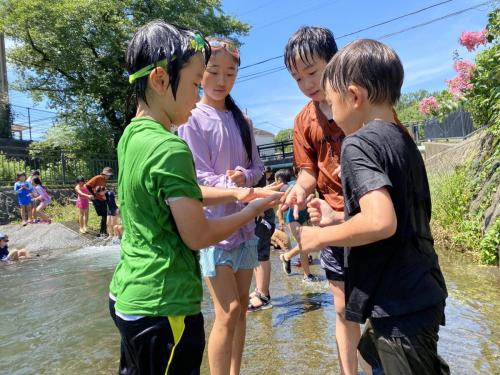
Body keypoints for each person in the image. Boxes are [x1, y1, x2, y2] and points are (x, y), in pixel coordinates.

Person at [108, 21, 281, 375]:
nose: (199, 90)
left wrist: (239, 190)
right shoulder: (169, 146)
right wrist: (251, 208)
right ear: (159, 80)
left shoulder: (130, 135)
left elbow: (173, 198)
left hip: (129, 296)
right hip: (164, 304)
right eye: (194, 82)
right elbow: (198, 235)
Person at [295, 39, 449, 375]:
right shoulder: (403, 140)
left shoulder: (358, 143)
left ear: (354, 96)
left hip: (398, 303)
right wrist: (339, 215)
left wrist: (320, 237)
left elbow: (381, 222)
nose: (332, 115)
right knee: (370, 353)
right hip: (422, 287)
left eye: (333, 103)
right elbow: (400, 212)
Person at [280, 26, 370, 375]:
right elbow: (308, 171)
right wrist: (300, 190)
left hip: (371, 215)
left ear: (335, 60)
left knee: (379, 304)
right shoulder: (303, 120)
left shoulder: (361, 98)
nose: (306, 83)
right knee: (343, 306)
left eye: (312, 71)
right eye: (297, 77)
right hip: (330, 217)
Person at [178, 37, 265, 375]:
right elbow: (197, 177)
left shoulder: (243, 120)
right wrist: (234, 188)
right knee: (226, 310)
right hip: (213, 230)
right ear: (201, 73)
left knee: (242, 308)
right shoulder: (192, 118)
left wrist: (244, 175)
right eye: (213, 71)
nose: (221, 80)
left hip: (245, 226)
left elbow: (258, 168)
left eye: (230, 73)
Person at [248, 174, 276, 312]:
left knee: (261, 254)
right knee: (256, 253)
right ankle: (260, 289)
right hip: (260, 211)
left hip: (262, 213)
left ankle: (263, 295)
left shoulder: (254, 169)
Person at [86, 167, 113, 236]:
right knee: (104, 214)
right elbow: (87, 185)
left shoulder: (104, 180)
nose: (109, 177)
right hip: (97, 199)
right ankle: (102, 232)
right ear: (105, 174)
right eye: (109, 175)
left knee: (105, 215)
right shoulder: (98, 177)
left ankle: (103, 231)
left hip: (102, 199)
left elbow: (102, 189)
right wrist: (93, 195)